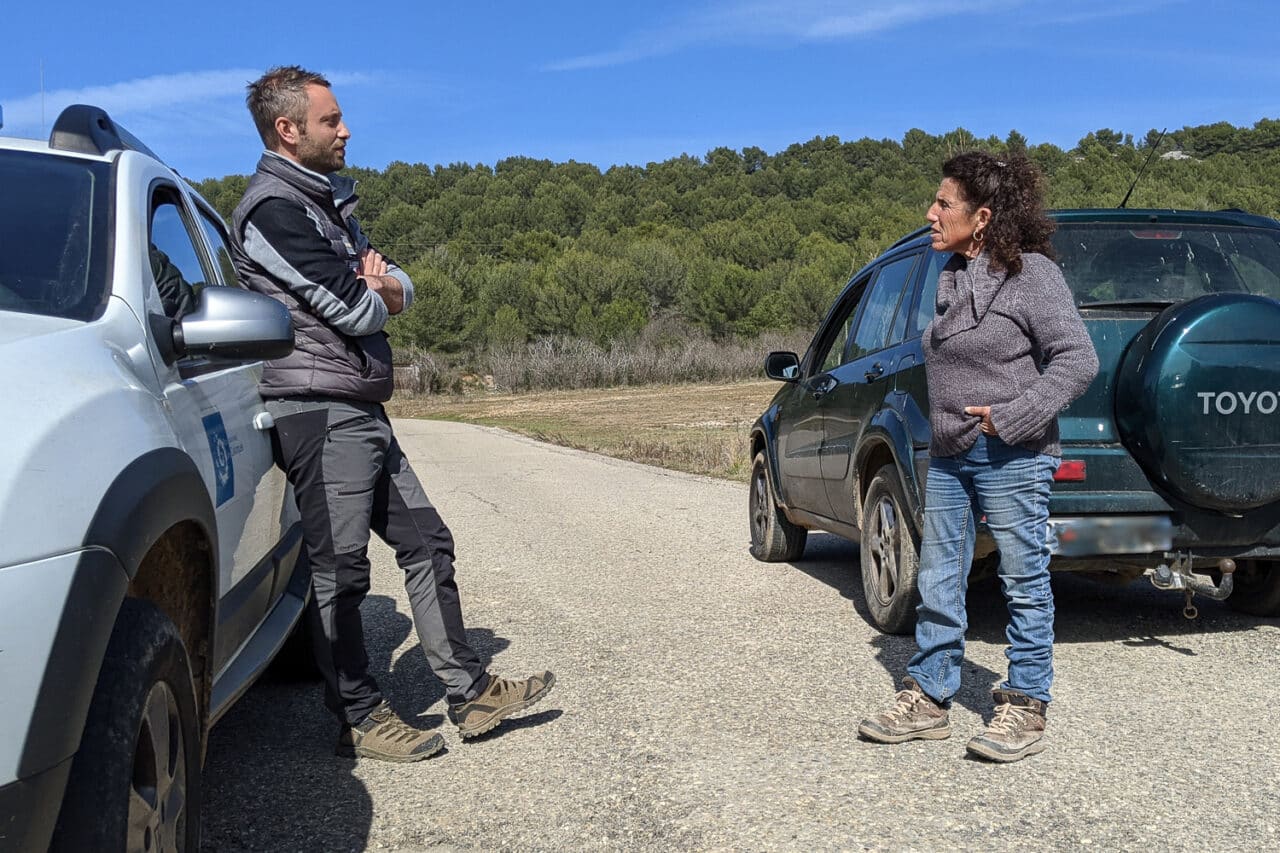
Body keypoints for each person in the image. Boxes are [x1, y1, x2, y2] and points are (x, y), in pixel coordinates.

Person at [228, 66, 554, 762]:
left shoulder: (327, 204)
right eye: (330, 120)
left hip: (359, 404)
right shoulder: (272, 212)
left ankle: (468, 693)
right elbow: (356, 305)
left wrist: (382, 283)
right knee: (341, 570)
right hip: (319, 409)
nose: (345, 130)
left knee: (428, 542)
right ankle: (358, 716)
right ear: (288, 130)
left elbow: (400, 284)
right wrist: (375, 286)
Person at [858, 152, 1098, 762]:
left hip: (1013, 455)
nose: (931, 214)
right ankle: (931, 697)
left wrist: (1012, 416)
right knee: (938, 575)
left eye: (944, 204)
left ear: (983, 216)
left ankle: (1025, 704)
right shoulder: (951, 276)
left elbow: (1078, 360)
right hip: (951, 454)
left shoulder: (1033, 276)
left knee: (1023, 579)